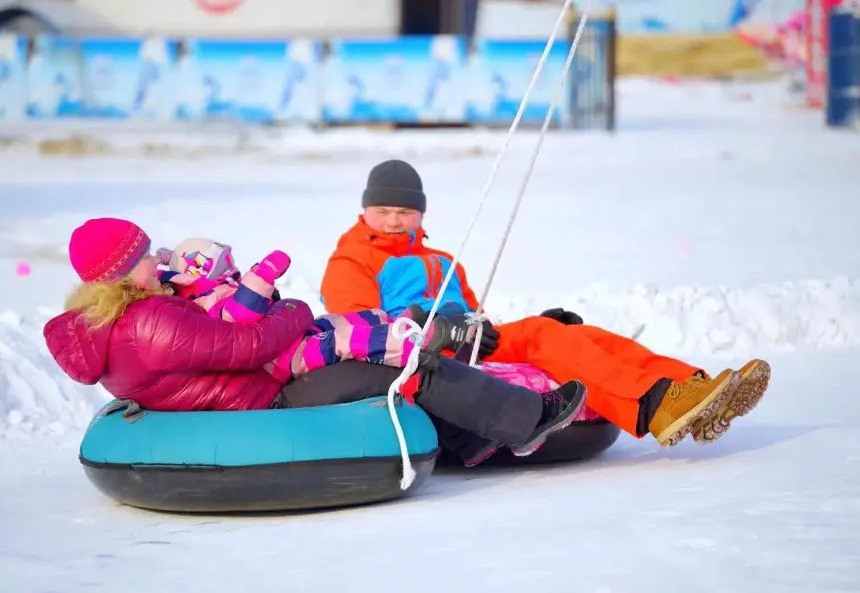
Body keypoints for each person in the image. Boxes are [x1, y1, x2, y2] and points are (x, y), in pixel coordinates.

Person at [42, 217, 586, 464]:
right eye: (145, 258)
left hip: (252, 389)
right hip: (267, 395)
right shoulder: (151, 321)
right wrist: (299, 309)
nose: (158, 261)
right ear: (117, 275)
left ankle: (468, 440)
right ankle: (526, 419)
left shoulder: (116, 324)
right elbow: (247, 346)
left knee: (385, 364)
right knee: (403, 368)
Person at [319, 159, 771, 454]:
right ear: (365, 211)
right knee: (541, 336)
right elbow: (362, 332)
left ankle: (692, 387)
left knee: (576, 334)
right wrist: (438, 328)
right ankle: (656, 407)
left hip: (468, 341)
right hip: (425, 355)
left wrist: (476, 326)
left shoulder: (439, 260)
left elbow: (475, 315)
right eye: (384, 211)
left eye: (405, 212)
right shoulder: (352, 259)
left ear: (421, 214)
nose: (394, 220)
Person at [151, 236, 491, 383]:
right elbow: (239, 318)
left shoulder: (214, 290)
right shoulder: (206, 299)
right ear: (204, 269)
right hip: (285, 360)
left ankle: (398, 322)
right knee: (345, 341)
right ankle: (418, 345)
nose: (233, 267)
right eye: (226, 262)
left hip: (287, 340)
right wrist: (261, 275)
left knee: (337, 322)